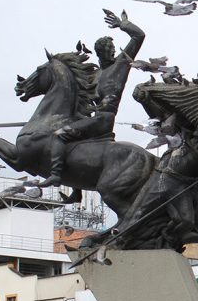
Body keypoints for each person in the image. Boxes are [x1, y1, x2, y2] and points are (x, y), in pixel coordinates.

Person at [42, 11, 145, 187]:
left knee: (59, 136)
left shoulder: (121, 65)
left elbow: (139, 36)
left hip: (104, 118)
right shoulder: (94, 75)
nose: (113, 53)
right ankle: (77, 190)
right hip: (92, 117)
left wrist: (122, 24)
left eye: (113, 50)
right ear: (100, 53)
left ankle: (56, 175)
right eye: (109, 50)